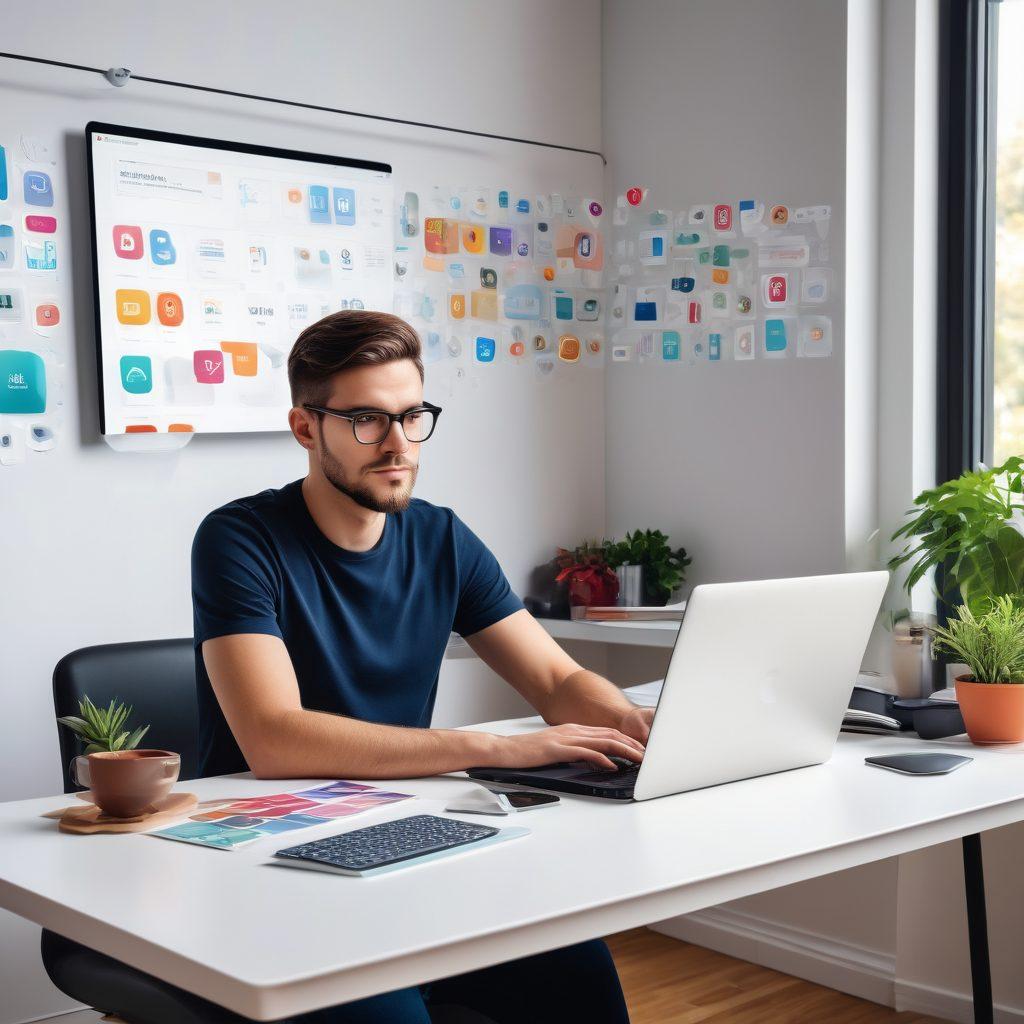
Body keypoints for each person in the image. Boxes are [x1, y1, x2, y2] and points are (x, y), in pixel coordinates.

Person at [192, 309, 648, 1023]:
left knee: (580, 970)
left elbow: (556, 681)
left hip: (402, 837)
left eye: (412, 415)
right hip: (271, 865)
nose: (399, 443)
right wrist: (498, 749)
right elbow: (274, 739)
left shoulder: (441, 537)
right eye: (368, 420)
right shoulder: (240, 540)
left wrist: (630, 720)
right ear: (306, 427)